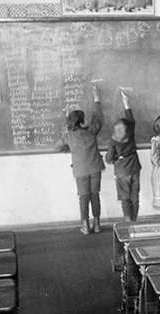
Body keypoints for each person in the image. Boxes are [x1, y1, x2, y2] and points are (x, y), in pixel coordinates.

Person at [59, 86, 104, 235]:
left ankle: (85, 226)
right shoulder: (91, 131)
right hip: (95, 168)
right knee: (95, 195)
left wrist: (67, 120)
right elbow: (98, 118)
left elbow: (59, 146)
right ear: (83, 120)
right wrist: (97, 98)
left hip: (80, 170)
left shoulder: (69, 136)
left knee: (83, 198)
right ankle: (97, 225)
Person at [105, 90, 141, 222]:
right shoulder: (130, 134)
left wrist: (115, 158)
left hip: (121, 171)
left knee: (125, 197)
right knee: (135, 196)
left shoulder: (113, 141)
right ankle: (135, 220)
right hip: (134, 168)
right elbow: (131, 121)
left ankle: (128, 221)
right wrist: (126, 103)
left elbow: (109, 159)